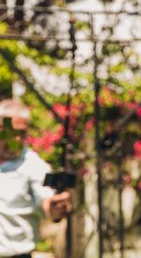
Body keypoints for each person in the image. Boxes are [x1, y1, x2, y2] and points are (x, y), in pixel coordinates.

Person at [0, 100, 72, 258]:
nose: (17, 139)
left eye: (22, 133)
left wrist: (55, 208)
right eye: (11, 132)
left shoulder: (34, 166)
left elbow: (46, 198)